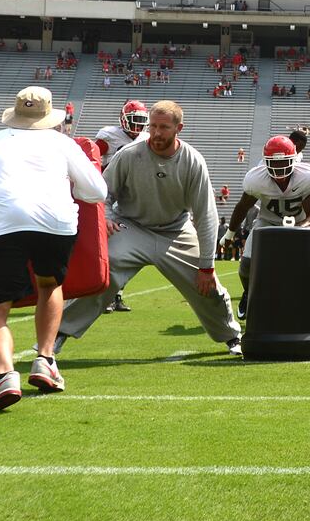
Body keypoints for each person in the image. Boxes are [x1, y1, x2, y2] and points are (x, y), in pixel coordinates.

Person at [0, 86, 108, 411]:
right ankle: (46, 360)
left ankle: (3, 375)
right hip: (57, 223)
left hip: (6, 223)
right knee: (49, 283)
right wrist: (68, 186)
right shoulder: (62, 143)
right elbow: (97, 191)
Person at [55, 100, 243, 356]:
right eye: (153, 126)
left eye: (163, 127)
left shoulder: (193, 161)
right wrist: (107, 217)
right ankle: (56, 336)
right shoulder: (130, 153)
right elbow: (102, 193)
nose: (156, 133)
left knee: (208, 286)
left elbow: (205, 216)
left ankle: (232, 336)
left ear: (179, 128)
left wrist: (207, 266)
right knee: (102, 276)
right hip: (131, 227)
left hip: (176, 231)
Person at [222, 131, 310, 324]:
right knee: (246, 266)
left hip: (301, 223)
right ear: (266, 161)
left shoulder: (306, 176)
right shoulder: (257, 179)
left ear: (293, 159)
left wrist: (295, 230)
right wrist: (230, 233)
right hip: (267, 222)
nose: (278, 168)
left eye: (283, 162)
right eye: (274, 163)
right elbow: (243, 206)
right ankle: (248, 295)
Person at [94, 100, 151, 312]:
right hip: (109, 194)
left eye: (140, 122)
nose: (137, 127)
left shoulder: (147, 138)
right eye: (133, 121)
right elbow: (91, 157)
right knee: (109, 244)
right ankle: (102, 293)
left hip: (132, 196)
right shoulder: (110, 135)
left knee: (126, 248)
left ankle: (116, 295)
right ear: (123, 119)